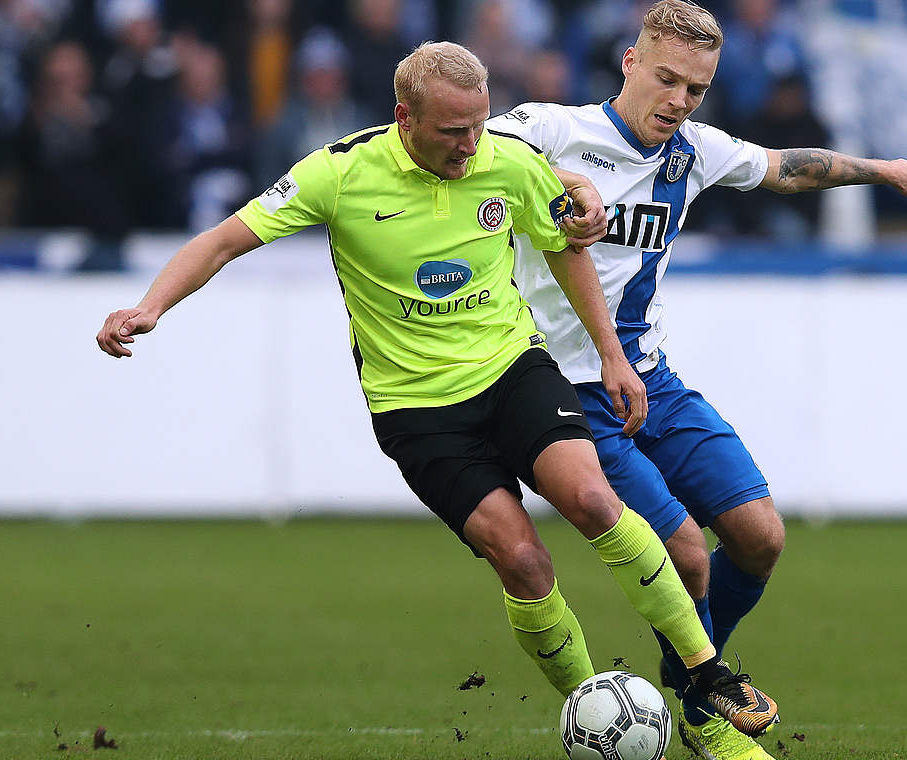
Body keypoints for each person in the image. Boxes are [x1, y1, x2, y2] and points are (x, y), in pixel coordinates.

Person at [94, 41, 778, 738]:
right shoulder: (339, 173)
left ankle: (705, 675)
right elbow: (221, 241)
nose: (470, 145)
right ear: (404, 118)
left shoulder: (505, 162)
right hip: (417, 408)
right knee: (522, 559)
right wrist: (151, 306)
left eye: (480, 125)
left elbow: (564, 249)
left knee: (594, 499)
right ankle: (598, 720)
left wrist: (612, 356)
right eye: (454, 131)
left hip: (514, 370)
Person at [487, 2, 907, 758]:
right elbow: (477, 147)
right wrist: (561, 178)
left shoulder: (693, 150)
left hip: (650, 381)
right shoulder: (553, 127)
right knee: (686, 550)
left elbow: (786, 168)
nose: (678, 101)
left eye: (695, 90)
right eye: (666, 80)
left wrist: (880, 169)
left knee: (760, 537)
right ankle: (706, 709)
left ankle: (688, 680)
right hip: (562, 391)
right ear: (630, 63)